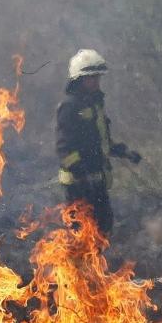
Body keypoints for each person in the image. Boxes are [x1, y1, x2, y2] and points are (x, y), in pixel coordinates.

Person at [55, 49, 141, 235]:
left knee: (102, 228)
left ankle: (95, 264)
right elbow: (65, 149)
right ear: (78, 79)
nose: (95, 82)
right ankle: (75, 265)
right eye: (90, 78)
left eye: (97, 77)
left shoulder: (95, 104)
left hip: (97, 179)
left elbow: (101, 141)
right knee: (81, 233)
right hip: (78, 185)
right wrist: (81, 174)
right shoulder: (70, 106)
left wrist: (124, 152)